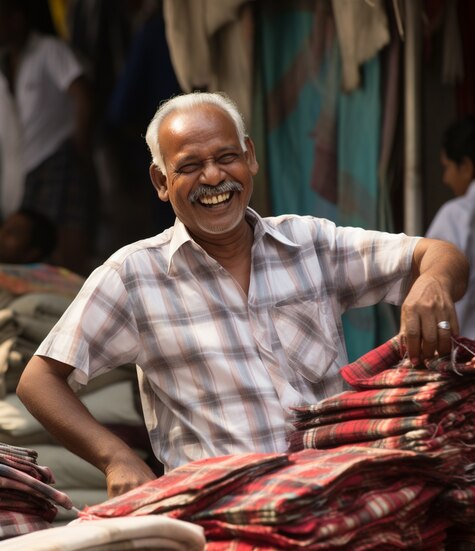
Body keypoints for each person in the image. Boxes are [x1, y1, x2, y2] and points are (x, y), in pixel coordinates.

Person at [16, 92, 469, 499]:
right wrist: (116, 457)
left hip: (333, 499)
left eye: (226, 157)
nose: (213, 177)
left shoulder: (310, 244)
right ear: (160, 181)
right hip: (221, 515)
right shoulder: (134, 276)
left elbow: (439, 255)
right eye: (190, 166)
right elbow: (39, 381)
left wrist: (432, 282)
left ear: (250, 157)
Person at [0, 0, 97, 275]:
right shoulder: (5, 64)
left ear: (16, 19)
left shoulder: (49, 50)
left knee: (66, 251)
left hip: (59, 158)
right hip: (24, 169)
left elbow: (83, 95)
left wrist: (80, 147)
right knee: (27, 250)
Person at [426, 116, 475, 339]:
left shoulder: (457, 214)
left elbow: (430, 292)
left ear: (466, 166)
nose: (445, 178)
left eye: (447, 167)